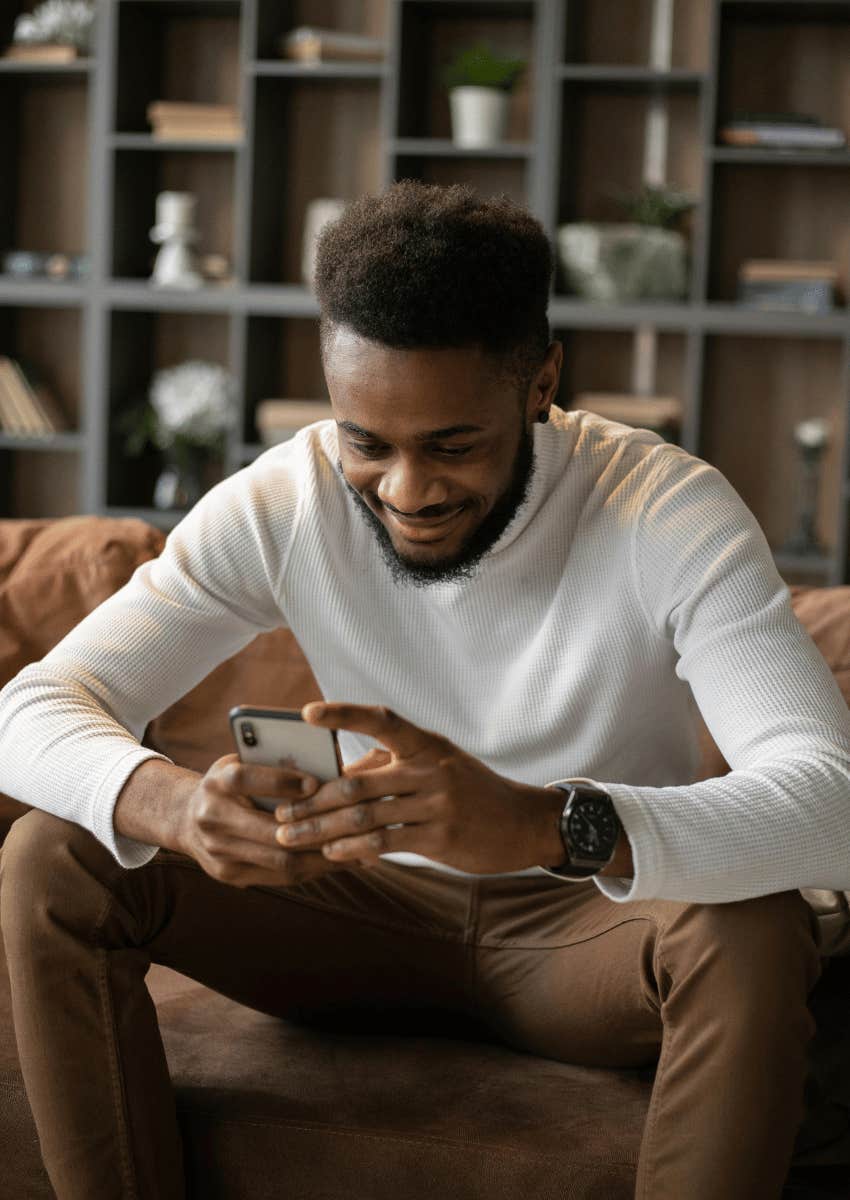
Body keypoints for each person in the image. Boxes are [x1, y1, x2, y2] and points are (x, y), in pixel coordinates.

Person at [0, 181, 847, 1200]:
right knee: (56, 851)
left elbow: (830, 798)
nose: (407, 491)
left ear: (539, 385)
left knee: (747, 920)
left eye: (452, 446)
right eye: (368, 442)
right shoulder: (288, 498)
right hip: (359, 912)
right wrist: (172, 804)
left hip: (582, 935)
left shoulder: (664, 508)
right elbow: (29, 707)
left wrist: (546, 825)